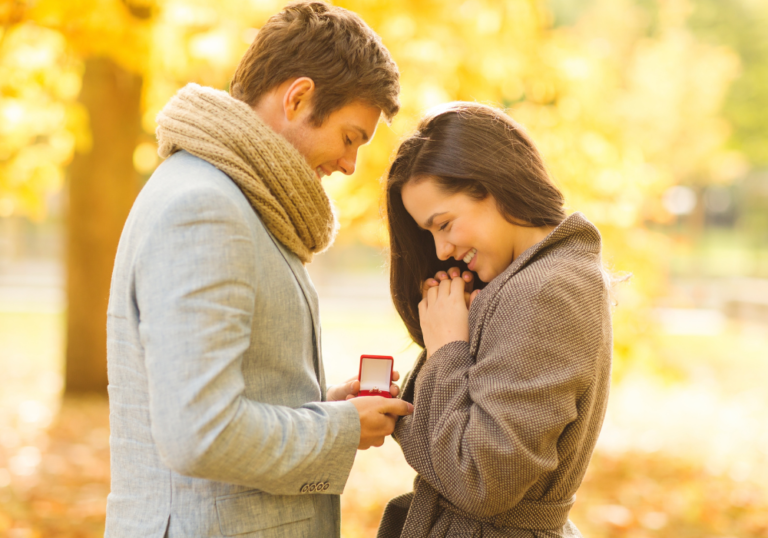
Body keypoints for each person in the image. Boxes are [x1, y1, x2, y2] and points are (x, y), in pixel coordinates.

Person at [105, 2, 413, 537]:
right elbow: (200, 431)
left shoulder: (238, 199)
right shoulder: (205, 208)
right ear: (298, 98)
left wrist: (321, 407)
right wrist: (338, 429)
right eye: (349, 137)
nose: (349, 165)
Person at [377, 102, 613, 538]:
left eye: (444, 224)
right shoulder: (527, 281)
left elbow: (482, 481)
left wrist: (448, 348)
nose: (441, 250)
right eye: (429, 233)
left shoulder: (548, 290)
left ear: (494, 185)